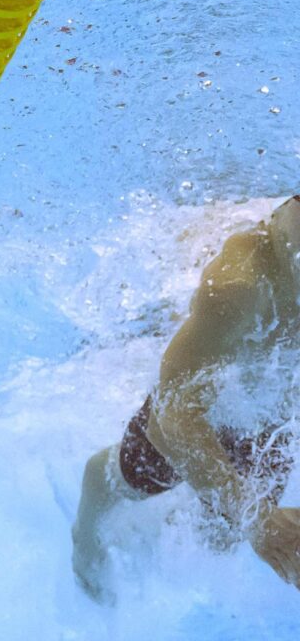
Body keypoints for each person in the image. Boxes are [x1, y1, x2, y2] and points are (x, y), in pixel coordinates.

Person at [73, 195, 300, 600]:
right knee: (130, 480)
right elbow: (170, 417)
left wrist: (250, 517)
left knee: (223, 535)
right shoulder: (240, 286)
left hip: (270, 409)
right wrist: (257, 519)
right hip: (205, 407)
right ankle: (86, 529)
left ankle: (209, 501)